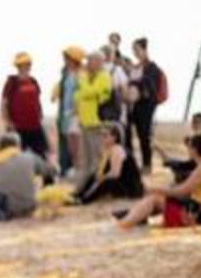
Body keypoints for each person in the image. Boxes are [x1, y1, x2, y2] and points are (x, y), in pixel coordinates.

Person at [116, 133, 201, 229]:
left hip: (199, 214)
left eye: (189, 147)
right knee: (158, 197)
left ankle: (124, 224)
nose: (188, 149)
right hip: (199, 209)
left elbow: (181, 191)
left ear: (194, 150)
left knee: (154, 199)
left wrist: (154, 189)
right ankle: (132, 217)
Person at [0, 132, 54, 222]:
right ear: (18, 144)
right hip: (29, 206)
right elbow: (51, 172)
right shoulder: (30, 157)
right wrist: (50, 162)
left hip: (4, 207)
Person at [73, 52, 114, 190]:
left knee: (96, 157)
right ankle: (83, 185)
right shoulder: (91, 77)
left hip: (96, 122)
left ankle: (94, 186)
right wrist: (85, 92)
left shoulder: (104, 76)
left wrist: (83, 81)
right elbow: (77, 96)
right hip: (85, 122)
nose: (87, 64)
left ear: (98, 62)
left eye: (90, 61)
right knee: (85, 157)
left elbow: (91, 92)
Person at [0, 52, 49, 163]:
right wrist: (7, 122)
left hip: (35, 124)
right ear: (18, 66)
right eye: (24, 64)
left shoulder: (33, 81)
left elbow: (37, 101)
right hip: (17, 126)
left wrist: (41, 116)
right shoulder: (12, 82)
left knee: (42, 153)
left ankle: (48, 178)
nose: (27, 66)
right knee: (15, 154)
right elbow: (4, 103)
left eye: (28, 64)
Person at [75, 125, 143, 204]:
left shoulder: (117, 149)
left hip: (130, 188)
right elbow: (101, 170)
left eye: (105, 136)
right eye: (101, 135)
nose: (102, 138)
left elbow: (115, 173)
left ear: (114, 137)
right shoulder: (107, 150)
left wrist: (102, 178)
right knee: (93, 176)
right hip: (120, 183)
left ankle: (84, 200)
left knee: (105, 181)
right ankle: (79, 195)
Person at [128, 38, 162, 172]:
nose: (135, 52)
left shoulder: (152, 68)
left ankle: (147, 165)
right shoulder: (137, 67)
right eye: (134, 50)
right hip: (135, 106)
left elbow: (151, 89)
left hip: (146, 107)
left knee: (144, 136)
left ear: (144, 49)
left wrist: (138, 87)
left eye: (137, 49)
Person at [52, 47, 83, 178]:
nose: (65, 61)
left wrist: (76, 111)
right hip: (64, 113)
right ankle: (65, 169)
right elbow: (58, 92)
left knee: (75, 145)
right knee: (64, 142)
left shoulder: (81, 75)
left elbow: (82, 94)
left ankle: (75, 169)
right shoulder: (65, 75)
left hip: (76, 115)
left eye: (67, 58)